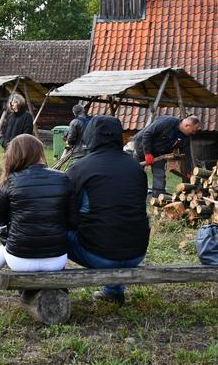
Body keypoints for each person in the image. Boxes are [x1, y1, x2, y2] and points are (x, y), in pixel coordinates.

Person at [0, 134, 73, 303]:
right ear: (39, 153)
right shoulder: (63, 179)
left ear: (14, 155)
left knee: (4, 249)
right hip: (55, 260)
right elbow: (72, 217)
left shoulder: (10, 182)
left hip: (20, 259)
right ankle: (57, 285)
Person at [66, 115, 149, 304]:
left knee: (53, 232)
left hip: (99, 255)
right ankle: (113, 291)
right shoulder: (136, 168)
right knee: (116, 223)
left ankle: (46, 285)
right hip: (137, 252)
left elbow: (67, 214)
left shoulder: (79, 168)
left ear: (90, 135)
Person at [132, 115, 200, 196]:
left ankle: (158, 196)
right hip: (142, 147)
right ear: (187, 125)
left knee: (160, 174)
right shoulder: (167, 122)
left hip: (160, 154)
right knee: (136, 172)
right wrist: (147, 153)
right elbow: (147, 133)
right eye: (193, 130)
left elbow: (187, 154)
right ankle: (132, 192)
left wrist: (188, 171)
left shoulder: (186, 137)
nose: (194, 133)